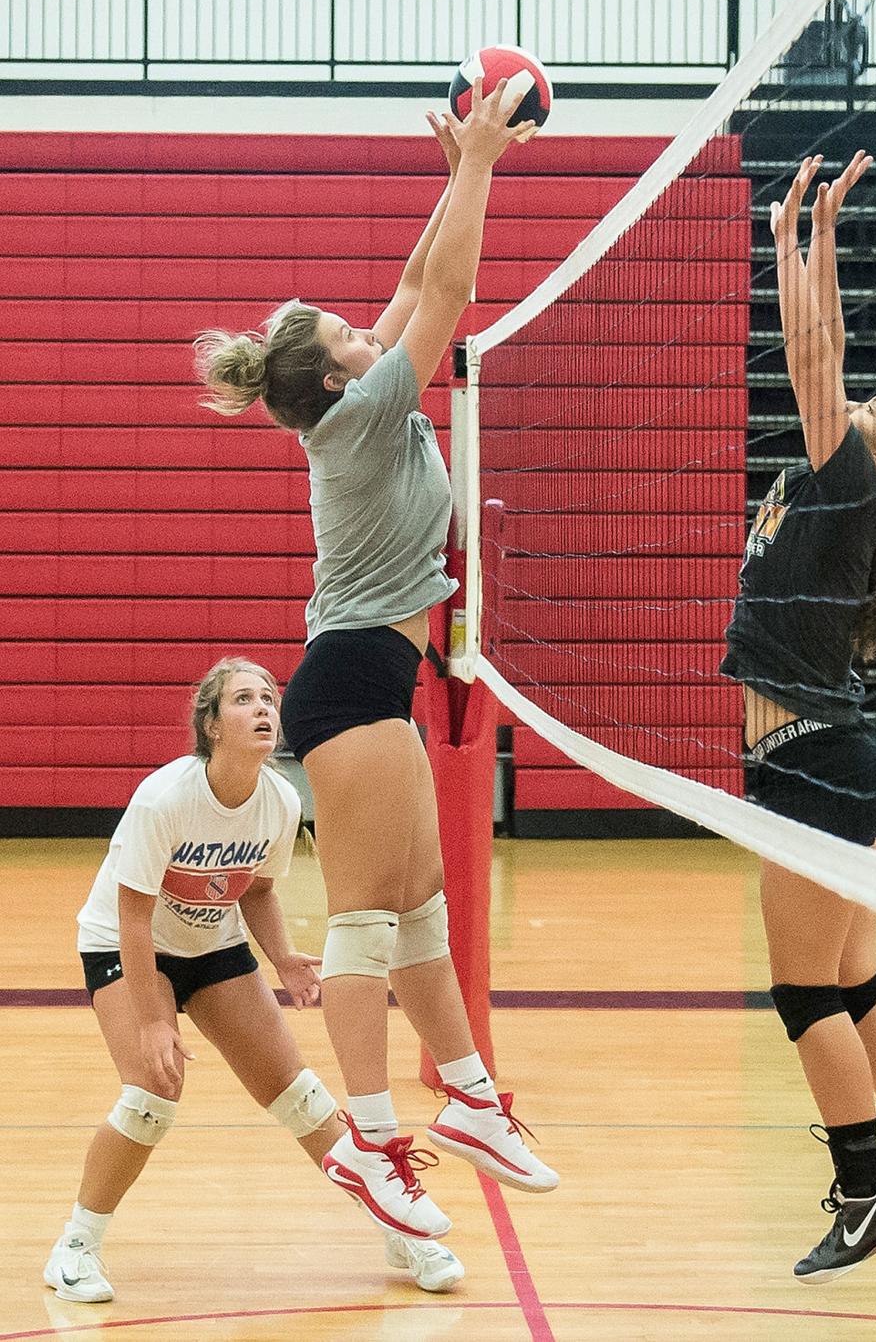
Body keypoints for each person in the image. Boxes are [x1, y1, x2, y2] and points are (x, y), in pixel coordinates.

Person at [194, 79, 558, 1258]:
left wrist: (453, 168)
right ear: (339, 375)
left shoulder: (363, 394)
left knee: (419, 913)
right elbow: (444, 290)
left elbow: (409, 288)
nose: (371, 325)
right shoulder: (360, 412)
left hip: (375, 683)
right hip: (347, 684)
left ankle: (470, 1097)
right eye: (349, 335)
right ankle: (368, 1133)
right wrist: (487, 164)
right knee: (361, 925)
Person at [720, 152, 876, 1283]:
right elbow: (816, 358)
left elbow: (812, 353)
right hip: (835, 757)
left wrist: (808, 232)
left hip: (814, 763)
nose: (847, 400)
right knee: (861, 976)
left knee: (803, 988)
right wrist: (794, 238)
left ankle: (866, 1193)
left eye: (868, 410)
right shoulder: (844, 485)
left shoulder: (849, 483)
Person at [44, 658, 464, 1303]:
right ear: (211, 725)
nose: (265, 709)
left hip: (212, 944)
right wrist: (153, 1018)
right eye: (245, 700)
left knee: (300, 1095)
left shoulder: (281, 799)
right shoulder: (166, 798)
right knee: (152, 1098)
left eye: (270, 697)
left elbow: (259, 890)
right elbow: (132, 913)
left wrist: (285, 958)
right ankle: (75, 1246)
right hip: (128, 945)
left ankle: (397, 1225)